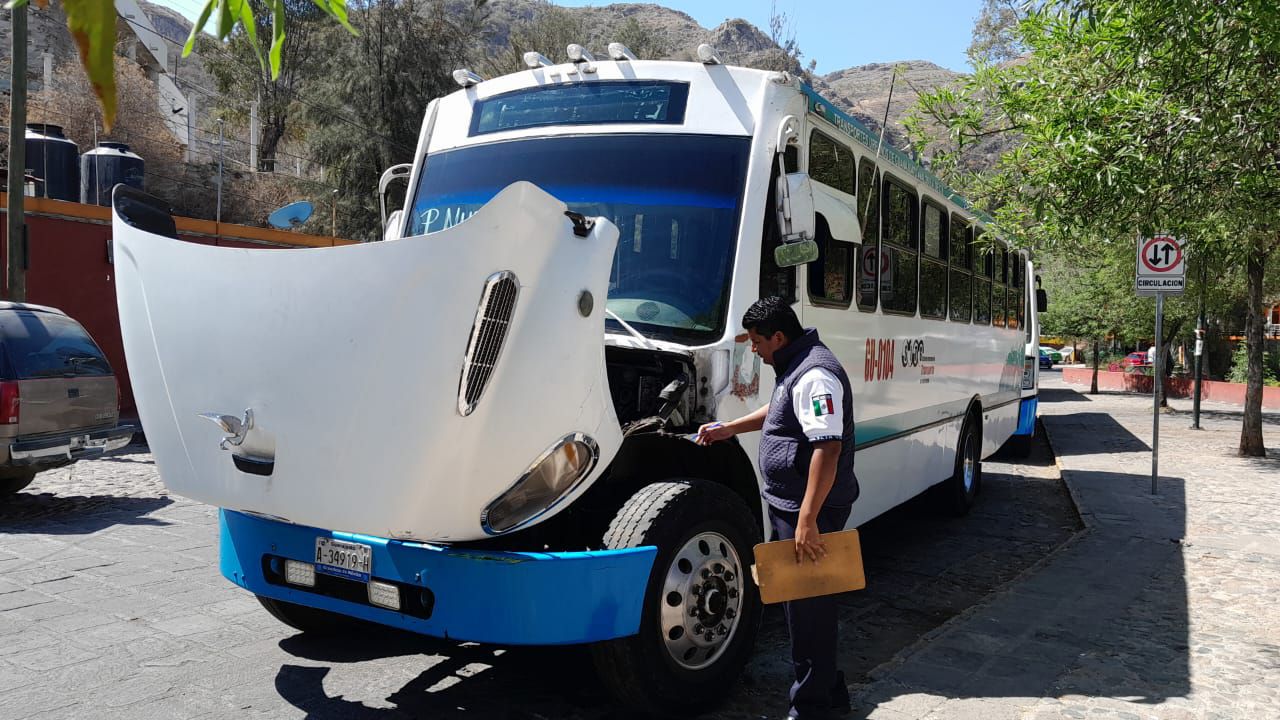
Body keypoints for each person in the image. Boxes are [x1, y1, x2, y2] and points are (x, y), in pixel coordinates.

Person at [697, 296, 858, 720]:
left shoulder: (816, 374)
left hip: (809, 512)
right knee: (803, 602)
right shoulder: (796, 366)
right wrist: (729, 428)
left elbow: (828, 448)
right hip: (792, 506)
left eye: (756, 341)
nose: (754, 349)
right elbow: (783, 411)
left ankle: (811, 707)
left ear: (779, 337)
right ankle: (831, 692)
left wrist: (807, 521)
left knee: (808, 611)